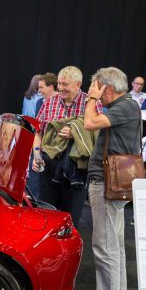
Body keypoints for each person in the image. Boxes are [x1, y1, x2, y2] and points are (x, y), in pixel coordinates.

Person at [78, 67, 141, 290]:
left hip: (106, 182)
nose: (95, 93)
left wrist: (91, 98)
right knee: (112, 243)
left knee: (105, 244)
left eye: (98, 88)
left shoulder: (124, 106)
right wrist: (95, 98)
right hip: (109, 181)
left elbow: (89, 123)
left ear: (108, 88)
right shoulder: (125, 106)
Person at [31, 66, 101, 227]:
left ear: (78, 84)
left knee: (71, 218)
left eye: (65, 84)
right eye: (59, 84)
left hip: (76, 168)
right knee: (47, 215)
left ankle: (68, 251)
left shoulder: (90, 104)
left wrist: (76, 132)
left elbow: (97, 134)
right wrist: (36, 154)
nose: (61, 88)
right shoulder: (49, 103)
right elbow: (38, 132)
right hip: (49, 165)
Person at [26, 72, 58, 199]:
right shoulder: (40, 102)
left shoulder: (60, 104)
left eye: (41, 87)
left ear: (51, 87)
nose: (39, 90)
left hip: (53, 152)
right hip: (39, 146)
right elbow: (38, 126)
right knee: (35, 183)